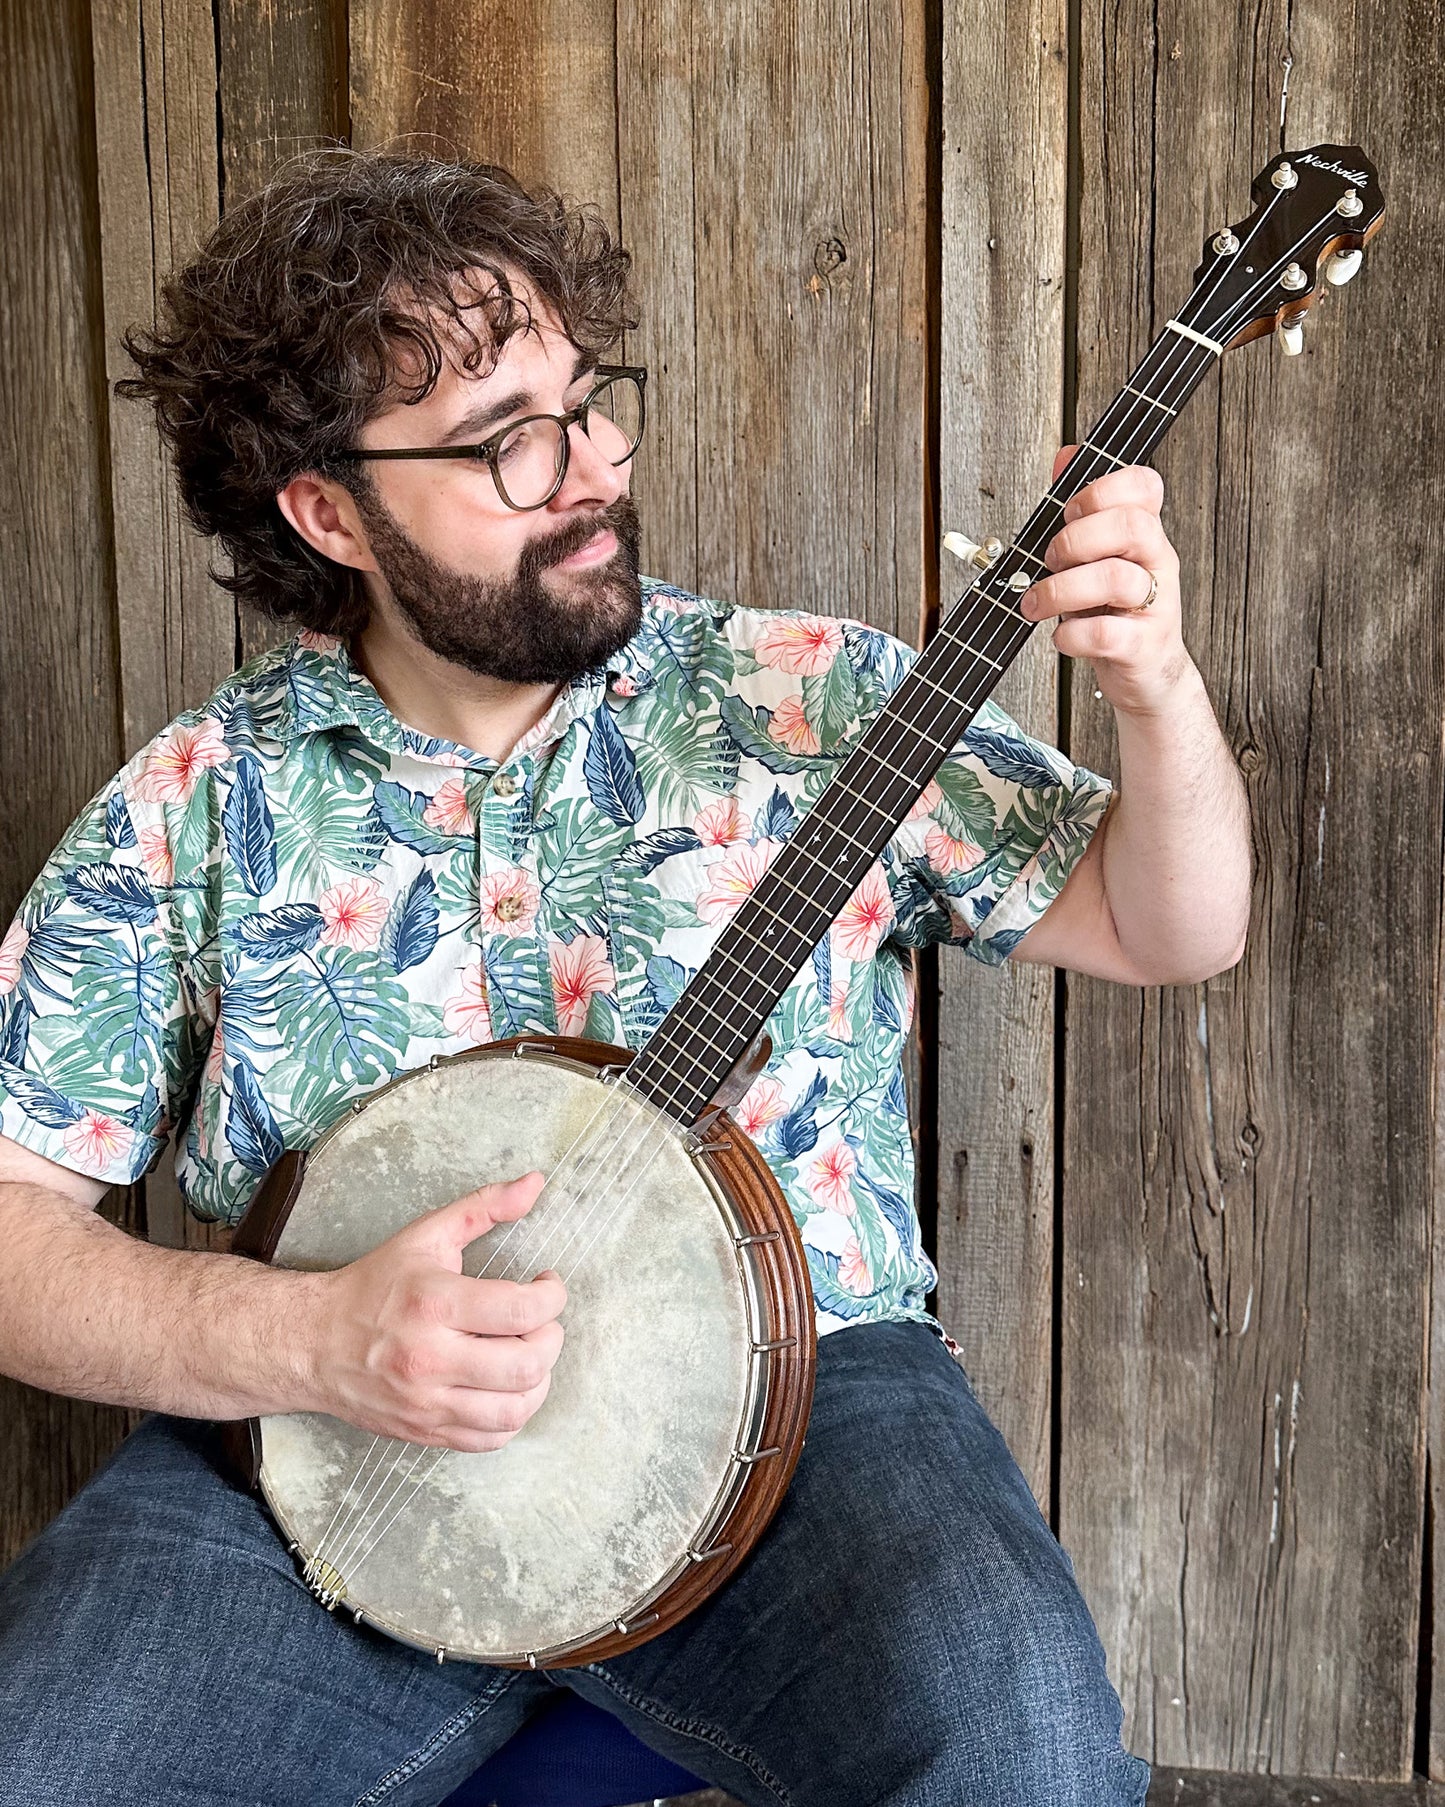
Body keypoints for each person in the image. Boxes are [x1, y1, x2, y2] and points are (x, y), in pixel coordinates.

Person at [0, 148, 1249, 1806]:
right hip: (319, 1436)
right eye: (505, 440)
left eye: (588, 405)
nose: (587, 469)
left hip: (805, 1409)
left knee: (1009, 1741)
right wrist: (301, 1340)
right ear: (328, 512)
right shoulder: (198, 801)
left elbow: (1169, 930)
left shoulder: (811, 698)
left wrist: (1156, 687)